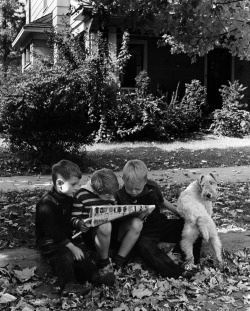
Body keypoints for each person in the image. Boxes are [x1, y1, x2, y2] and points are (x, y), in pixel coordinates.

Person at [35, 160, 115, 296]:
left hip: (67, 240)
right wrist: (71, 247)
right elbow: (51, 230)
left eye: (77, 184)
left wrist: (79, 224)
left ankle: (96, 277)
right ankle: (68, 285)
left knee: (81, 258)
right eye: (74, 184)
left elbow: (69, 220)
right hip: (49, 242)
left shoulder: (68, 197)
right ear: (60, 184)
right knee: (65, 255)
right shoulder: (46, 203)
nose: (77, 187)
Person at [114, 159, 202, 279]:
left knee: (194, 224)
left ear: (145, 181)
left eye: (137, 189)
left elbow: (163, 202)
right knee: (144, 246)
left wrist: (181, 214)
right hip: (143, 231)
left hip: (160, 223)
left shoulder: (152, 187)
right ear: (123, 179)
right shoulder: (119, 195)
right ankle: (178, 272)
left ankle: (192, 261)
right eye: (130, 189)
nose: (133, 192)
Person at [71, 168, 143, 271]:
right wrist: (79, 223)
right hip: (94, 235)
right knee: (105, 225)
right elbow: (73, 218)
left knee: (137, 223)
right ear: (96, 191)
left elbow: (114, 212)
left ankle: (119, 260)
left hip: (112, 232)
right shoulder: (81, 195)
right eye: (108, 195)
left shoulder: (110, 194)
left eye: (113, 193)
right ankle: (104, 263)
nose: (112, 197)